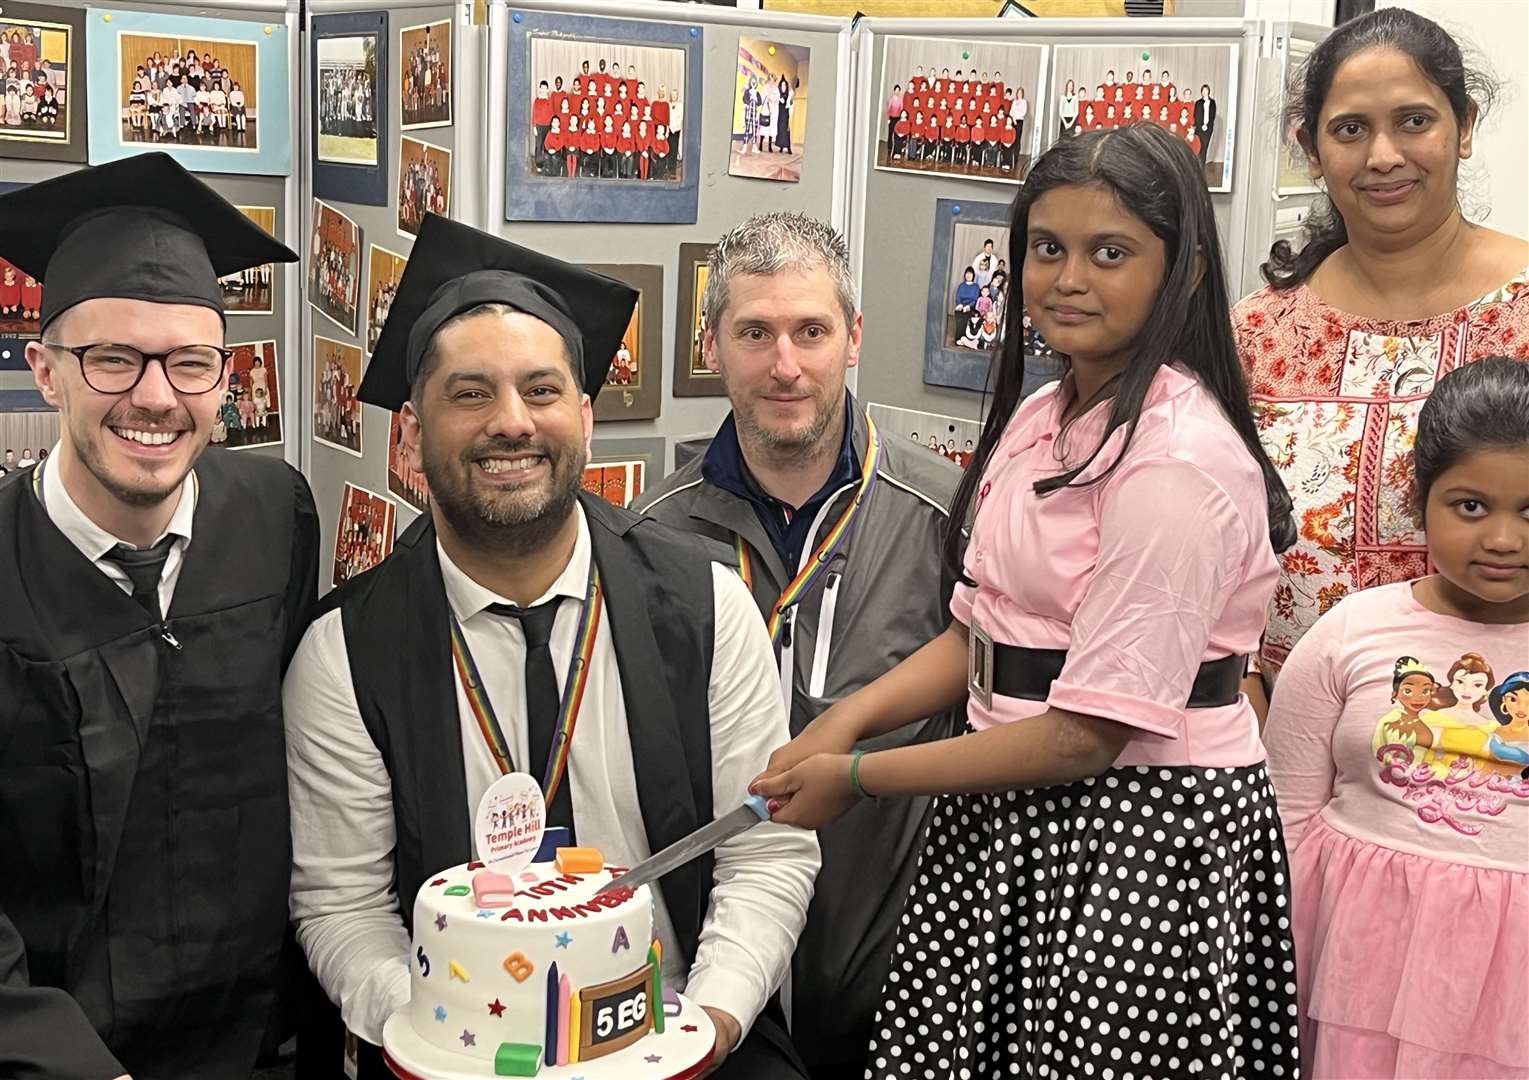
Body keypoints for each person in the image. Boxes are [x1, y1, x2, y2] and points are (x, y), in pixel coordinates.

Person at [752, 125, 1300, 1080]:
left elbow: (1083, 735)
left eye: (1110, 252)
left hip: (1135, 828)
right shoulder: (1050, 412)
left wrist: (862, 775)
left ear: (1184, 268)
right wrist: (847, 719)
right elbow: (981, 626)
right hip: (1009, 807)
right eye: (1047, 248)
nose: (1068, 278)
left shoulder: (1176, 462)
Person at [284, 214, 820, 1080]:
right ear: (412, 435)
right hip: (450, 1049)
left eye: (540, 391)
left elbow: (766, 853)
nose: (510, 422)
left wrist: (707, 1027)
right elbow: (342, 906)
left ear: (583, 416)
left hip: (677, 1026)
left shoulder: (708, 608)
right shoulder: (343, 652)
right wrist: (444, 1039)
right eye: (469, 394)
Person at [0, 153, 316, 1079]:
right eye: (111, 358)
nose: (154, 395)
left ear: (224, 378)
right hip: (62, 1055)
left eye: (190, 362)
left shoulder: (275, 512)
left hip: (268, 1036)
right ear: (46, 372)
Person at [633, 212, 961, 1080]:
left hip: (899, 979)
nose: (785, 366)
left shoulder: (946, 517)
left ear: (853, 337)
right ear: (712, 345)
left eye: (810, 331)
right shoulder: (648, 543)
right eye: (754, 333)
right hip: (712, 984)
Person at [1233, 7, 1529, 686]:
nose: (1382, 155)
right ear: (1310, 149)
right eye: (1350, 130)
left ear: (1465, 128)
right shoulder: (1254, 334)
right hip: (1274, 731)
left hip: (1488, 741)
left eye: (1413, 121)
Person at [1263, 357, 1529, 1079]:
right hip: (1353, 960)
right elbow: (1284, 812)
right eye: (1470, 506)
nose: (1502, 539)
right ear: (1418, 505)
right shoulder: (1351, 631)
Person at [1194, 83, 1217, 166]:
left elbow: (1212, 116)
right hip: (1199, 128)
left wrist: (1207, 125)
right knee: (1198, 146)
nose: (1204, 92)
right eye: (1203, 90)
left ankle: (1202, 165)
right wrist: (1200, 126)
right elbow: (1196, 116)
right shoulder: (1198, 103)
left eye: (1206, 90)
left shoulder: (1212, 103)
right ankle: (1196, 164)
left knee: (1205, 146)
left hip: (1208, 128)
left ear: (1208, 91)